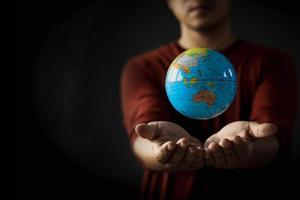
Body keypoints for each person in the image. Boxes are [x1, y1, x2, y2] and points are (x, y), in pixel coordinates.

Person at [120, 0, 298, 199]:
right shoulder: (143, 67)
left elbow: (273, 139)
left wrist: (249, 149)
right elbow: (141, 137)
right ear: (169, 2)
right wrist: (158, 148)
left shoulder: (273, 63)